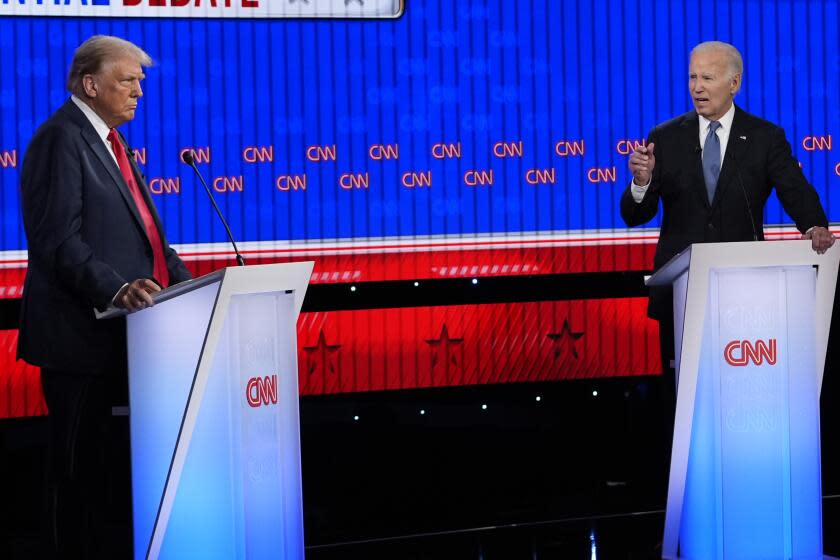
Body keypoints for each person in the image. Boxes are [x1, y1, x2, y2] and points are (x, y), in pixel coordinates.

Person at [17, 35, 192, 558]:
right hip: (80, 346)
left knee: (115, 481)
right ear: (91, 85)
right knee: (78, 481)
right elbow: (57, 240)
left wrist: (190, 284)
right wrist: (116, 289)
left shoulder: (113, 141)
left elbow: (149, 237)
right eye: (127, 81)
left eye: (141, 81)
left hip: (128, 340)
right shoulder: (61, 138)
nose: (139, 91)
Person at [620, 40, 835, 378]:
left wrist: (814, 227)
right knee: (680, 395)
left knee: (741, 382)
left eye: (707, 77)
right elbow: (635, 215)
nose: (697, 87)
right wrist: (642, 182)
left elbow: (794, 190)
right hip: (682, 293)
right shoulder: (665, 137)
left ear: (734, 83)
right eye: (692, 77)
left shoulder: (765, 137)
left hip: (744, 293)